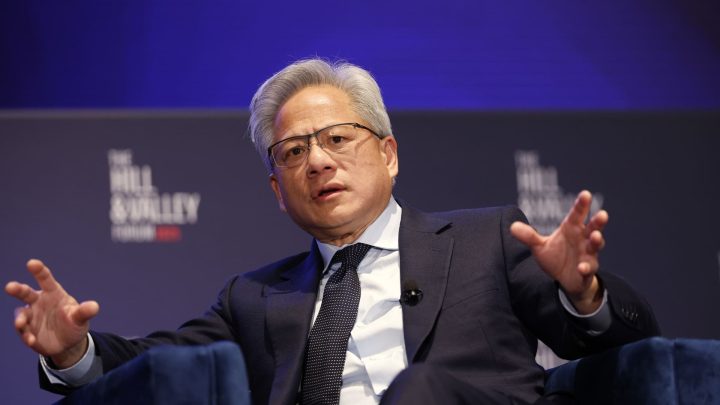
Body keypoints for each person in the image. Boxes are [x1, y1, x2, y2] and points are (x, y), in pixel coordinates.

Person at [5, 59, 660, 404]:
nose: (317, 161)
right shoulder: (253, 298)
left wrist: (584, 293)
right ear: (278, 191)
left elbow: (626, 343)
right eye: (293, 152)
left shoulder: (486, 238)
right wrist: (71, 351)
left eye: (338, 139)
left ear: (389, 154)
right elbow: (158, 364)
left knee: (420, 389)